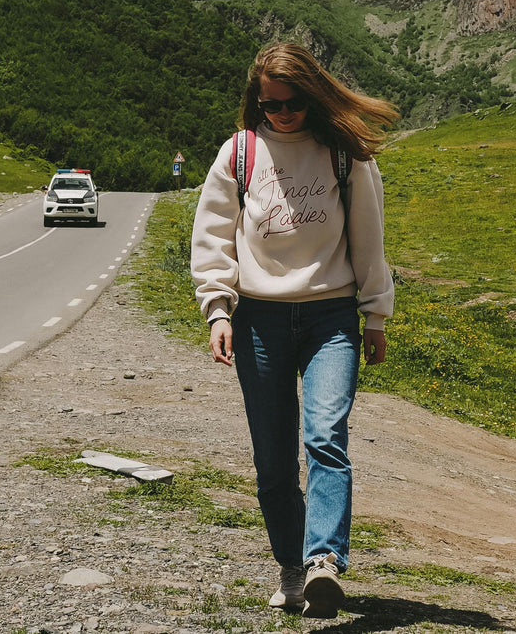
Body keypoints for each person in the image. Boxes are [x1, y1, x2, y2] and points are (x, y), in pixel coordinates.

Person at [190, 43, 397, 618]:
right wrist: (218, 310)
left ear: (314, 96)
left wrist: (375, 315)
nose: (282, 114)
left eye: (293, 103)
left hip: (332, 316)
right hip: (259, 319)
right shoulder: (239, 153)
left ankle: (323, 560)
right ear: (256, 101)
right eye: (271, 104)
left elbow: (369, 239)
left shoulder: (344, 155)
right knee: (274, 460)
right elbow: (213, 237)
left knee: (326, 435)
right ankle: (292, 569)